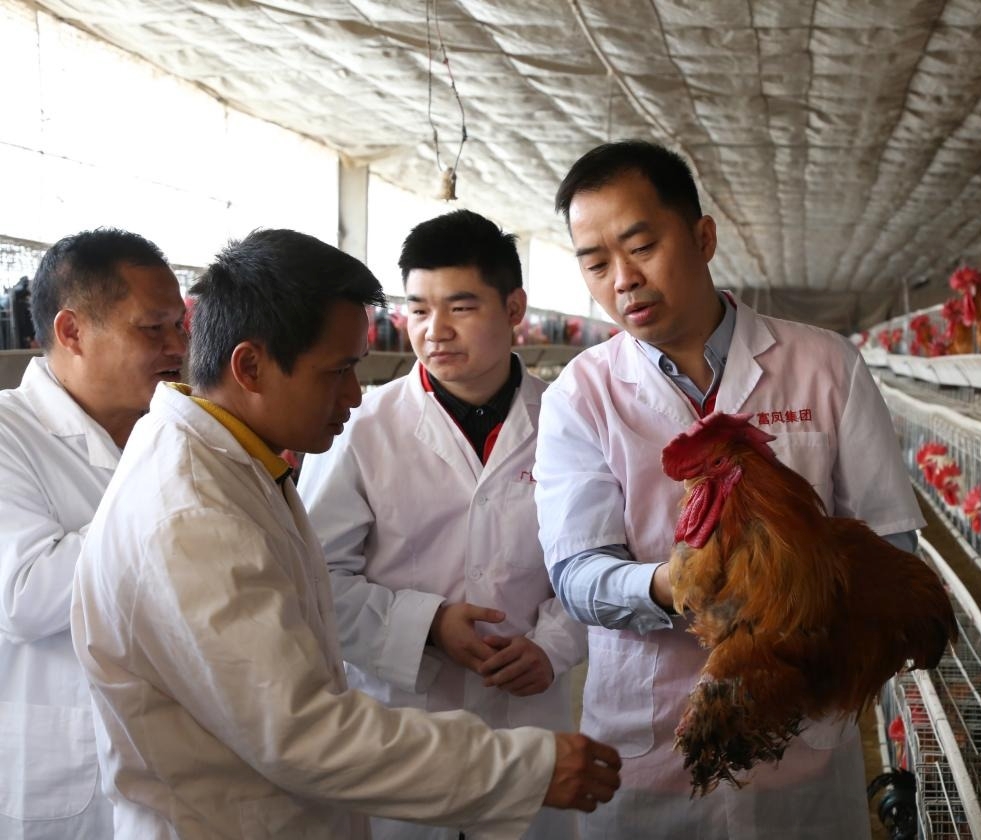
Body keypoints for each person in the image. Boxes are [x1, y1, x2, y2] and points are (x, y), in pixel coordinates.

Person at [70, 229, 620, 840]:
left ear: (513, 309)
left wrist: (552, 646)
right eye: (338, 371)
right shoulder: (193, 514)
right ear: (250, 366)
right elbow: (300, 732)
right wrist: (526, 768)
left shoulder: (235, 467)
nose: (355, 395)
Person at [533, 140, 925, 839]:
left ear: (703, 237)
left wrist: (798, 602)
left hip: (802, 744)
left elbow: (891, 540)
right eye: (596, 264)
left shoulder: (825, 363)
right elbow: (575, 575)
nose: (623, 279)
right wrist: (671, 585)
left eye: (642, 247)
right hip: (649, 752)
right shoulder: (579, 394)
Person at [300, 210, 587, 840]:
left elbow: (596, 559)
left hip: (526, 712)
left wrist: (553, 645)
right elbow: (314, 580)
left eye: (460, 307)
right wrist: (426, 625)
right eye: (418, 309)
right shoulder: (361, 427)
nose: (435, 331)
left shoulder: (568, 421)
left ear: (514, 308)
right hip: (403, 726)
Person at [0, 228, 186, 840]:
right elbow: (25, 596)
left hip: (172, 762)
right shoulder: (8, 434)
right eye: (152, 329)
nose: (177, 347)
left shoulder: (168, 430)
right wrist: (177, 508)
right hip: (63, 767)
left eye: (179, 326)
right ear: (72, 331)